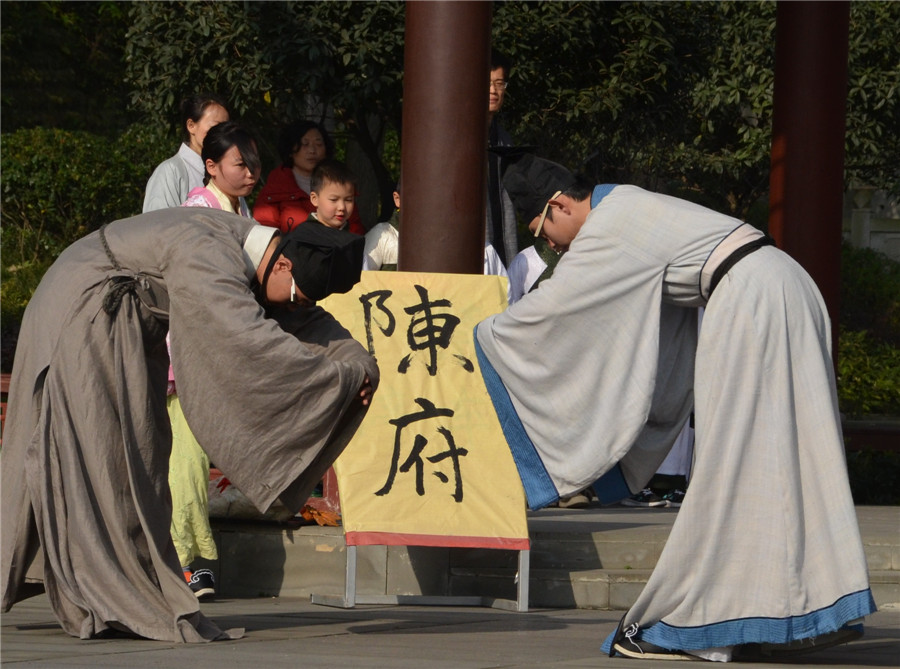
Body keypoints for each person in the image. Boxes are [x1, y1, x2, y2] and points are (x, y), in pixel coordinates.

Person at [473, 154, 875, 661]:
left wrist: (486, 336)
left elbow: (555, 312)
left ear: (557, 205)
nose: (547, 245)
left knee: (735, 464)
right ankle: (799, 612)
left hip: (751, 299)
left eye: (541, 230)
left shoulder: (608, 227)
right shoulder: (628, 207)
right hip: (781, 287)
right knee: (782, 461)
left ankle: (701, 620)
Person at [1, 208, 377, 642]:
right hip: (87, 313)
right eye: (296, 295)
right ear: (284, 263)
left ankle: (111, 587)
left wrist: (359, 366)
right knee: (110, 459)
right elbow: (248, 338)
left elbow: (308, 324)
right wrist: (337, 377)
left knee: (142, 453)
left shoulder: (259, 257)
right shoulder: (206, 252)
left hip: (124, 325)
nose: (294, 306)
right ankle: (112, 595)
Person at [170, 121, 262, 598]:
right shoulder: (196, 210)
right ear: (211, 165)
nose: (250, 173)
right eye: (240, 164)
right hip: (186, 350)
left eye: (254, 164)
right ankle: (192, 561)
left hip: (220, 350)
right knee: (186, 459)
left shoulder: (240, 207)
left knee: (196, 455)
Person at [361, 177, 510, 291]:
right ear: (397, 199)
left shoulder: (476, 246)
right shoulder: (382, 236)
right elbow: (360, 287)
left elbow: (503, 293)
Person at [253, 120, 365, 234]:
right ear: (290, 150)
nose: (312, 150)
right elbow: (265, 235)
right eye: (305, 144)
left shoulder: (340, 183)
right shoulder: (275, 188)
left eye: (319, 144)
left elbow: (355, 230)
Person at [143, 93, 229, 212]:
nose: (222, 133)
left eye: (226, 128)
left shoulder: (228, 171)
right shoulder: (170, 171)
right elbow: (157, 225)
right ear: (191, 125)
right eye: (215, 126)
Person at [486, 49, 519, 269]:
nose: (494, 91)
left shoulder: (504, 138)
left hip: (502, 247)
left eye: (500, 84)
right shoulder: (457, 137)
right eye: (488, 83)